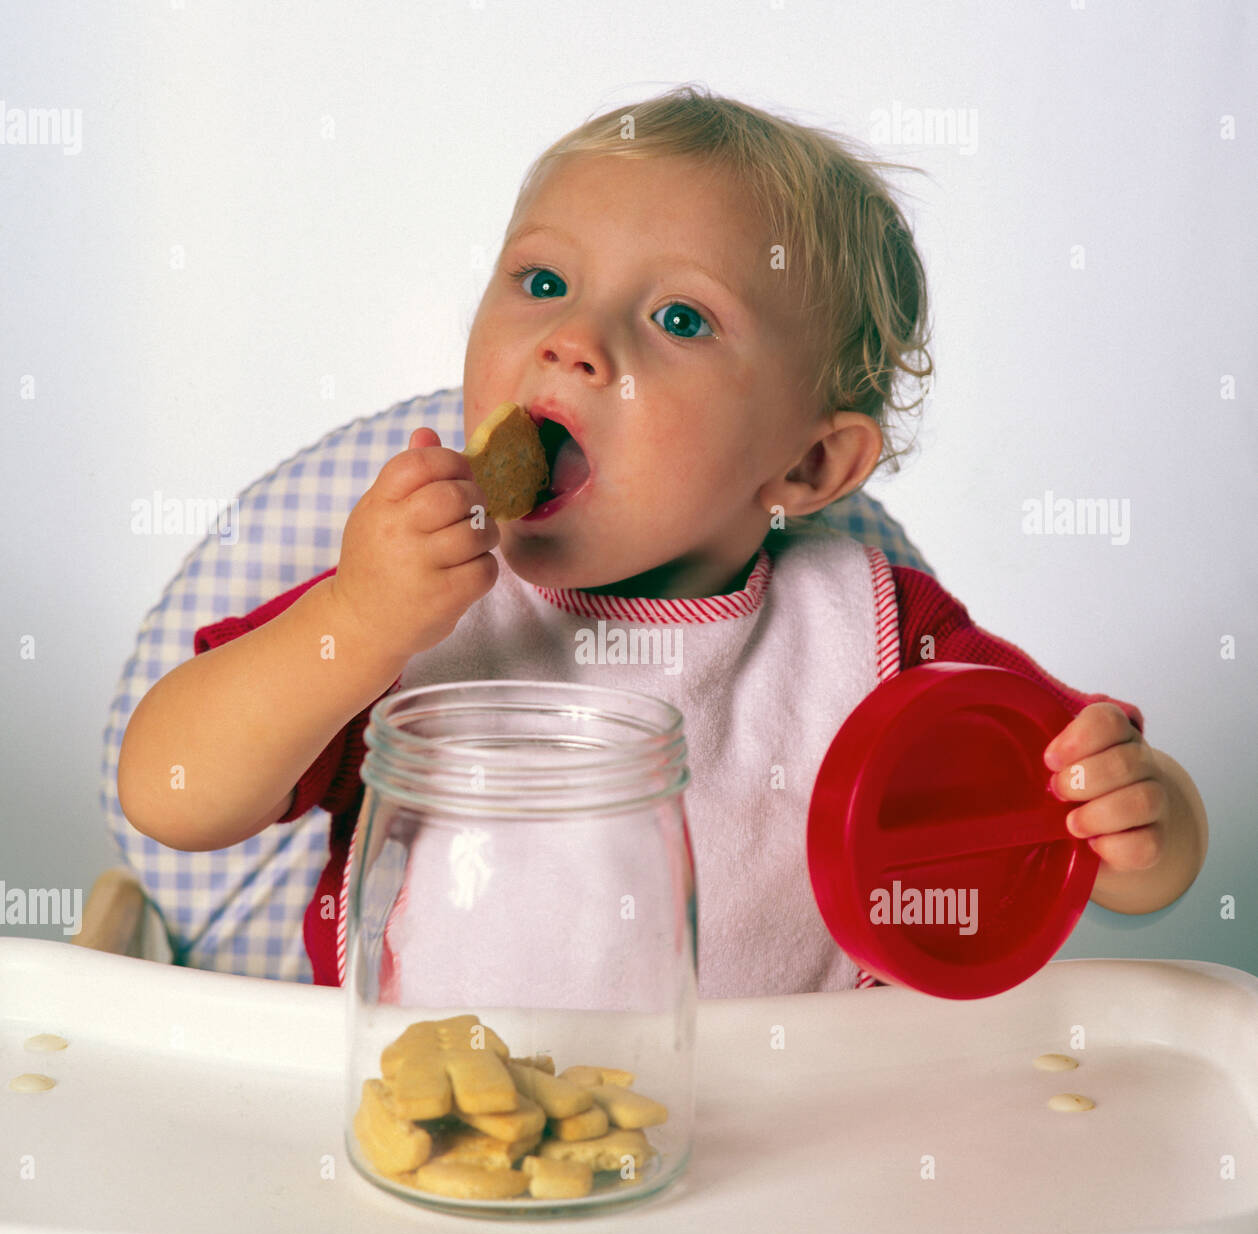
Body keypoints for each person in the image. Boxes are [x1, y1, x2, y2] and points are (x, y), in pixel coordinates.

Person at [117, 87, 1207, 994]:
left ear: (808, 468)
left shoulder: (873, 637)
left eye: (680, 318)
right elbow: (170, 791)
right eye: (543, 283)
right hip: (441, 1140)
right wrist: (354, 624)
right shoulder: (404, 600)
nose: (573, 341)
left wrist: (1141, 817)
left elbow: (1083, 827)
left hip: (786, 1167)